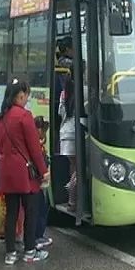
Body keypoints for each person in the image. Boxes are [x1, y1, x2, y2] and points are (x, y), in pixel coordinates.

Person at [0, 78, 49, 264]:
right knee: (30, 211)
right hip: (24, 173)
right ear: (20, 95)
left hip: (6, 173)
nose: (27, 99)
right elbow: (34, 148)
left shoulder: (0, 119)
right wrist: (44, 170)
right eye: (26, 95)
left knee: (12, 212)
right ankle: (30, 250)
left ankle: (10, 253)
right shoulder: (24, 116)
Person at [59, 71, 78, 211]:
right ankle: (72, 198)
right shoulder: (83, 90)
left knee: (73, 168)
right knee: (79, 170)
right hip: (75, 134)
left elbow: (60, 112)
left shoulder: (64, 93)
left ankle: (72, 201)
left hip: (65, 134)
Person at [34, 116, 52, 249]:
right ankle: (38, 237)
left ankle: (37, 236)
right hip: (39, 183)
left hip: (39, 183)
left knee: (41, 209)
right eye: (44, 129)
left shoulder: (38, 143)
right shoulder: (37, 146)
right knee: (41, 210)